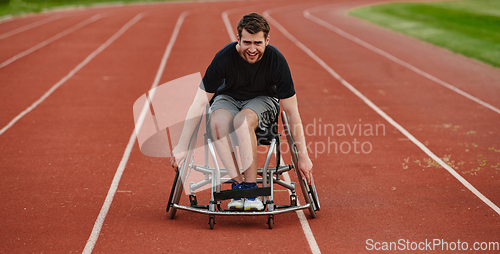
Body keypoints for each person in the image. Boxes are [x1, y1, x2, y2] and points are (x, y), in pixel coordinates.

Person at [170, 13, 312, 211]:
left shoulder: (276, 61)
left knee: (242, 122)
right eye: (247, 42)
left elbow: (291, 111)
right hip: (227, 98)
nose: (252, 49)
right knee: (217, 122)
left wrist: (303, 155)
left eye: (257, 43)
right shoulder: (224, 57)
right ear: (238, 39)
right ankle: (238, 187)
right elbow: (198, 103)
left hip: (263, 100)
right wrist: (182, 146)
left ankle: (251, 192)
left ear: (267, 41)